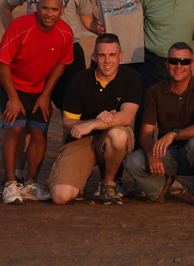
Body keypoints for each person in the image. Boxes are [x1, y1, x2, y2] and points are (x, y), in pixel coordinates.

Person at [0, 0, 97, 193]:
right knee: (26, 119)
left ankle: (65, 172)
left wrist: (115, 31)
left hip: (68, 54)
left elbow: (87, 21)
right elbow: (5, 7)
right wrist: (15, 38)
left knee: (71, 115)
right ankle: (17, 177)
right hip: (32, 57)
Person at [137, 0, 194, 196]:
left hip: (182, 65)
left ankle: (173, 175)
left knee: (178, 117)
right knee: (145, 119)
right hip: (153, 60)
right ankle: (146, 170)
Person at [0, 0, 74, 205]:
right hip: (11, 82)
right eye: (45, 8)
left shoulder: (66, 32)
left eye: (55, 9)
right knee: (15, 128)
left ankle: (31, 182)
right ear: (37, 6)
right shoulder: (20, 26)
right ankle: (10, 184)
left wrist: (46, 94)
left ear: (62, 10)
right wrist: (12, 98)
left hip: (39, 87)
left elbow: (62, 63)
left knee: (40, 132)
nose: (49, 13)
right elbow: (2, 63)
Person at [47, 34, 142, 205]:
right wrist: (88, 126)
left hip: (109, 136)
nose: (107, 61)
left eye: (112, 55)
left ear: (120, 56)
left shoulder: (131, 78)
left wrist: (93, 123)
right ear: (94, 56)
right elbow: (67, 124)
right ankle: (79, 181)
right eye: (102, 55)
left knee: (119, 134)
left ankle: (108, 184)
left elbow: (127, 116)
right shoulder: (79, 80)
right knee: (60, 197)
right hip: (81, 141)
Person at [124, 43, 194, 207]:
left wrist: (174, 134)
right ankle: (158, 188)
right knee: (133, 162)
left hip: (192, 155)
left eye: (184, 61)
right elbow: (145, 133)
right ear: (167, 64)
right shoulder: (154, 91)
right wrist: (152, 155)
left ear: (192, 65)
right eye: (174, 61)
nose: (179, 66)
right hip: (167, 153)